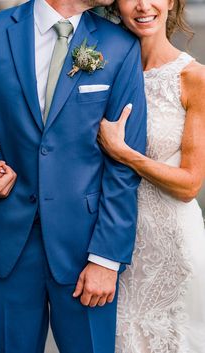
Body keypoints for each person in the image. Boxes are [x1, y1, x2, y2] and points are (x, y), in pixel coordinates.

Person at [0, 0, 147, 352]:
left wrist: (105, 258)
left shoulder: (119, 46)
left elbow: (124, 166)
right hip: (6, 248)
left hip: (86, 252)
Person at [97, 0, 205, 352]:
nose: (143, 5)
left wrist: (123, 153)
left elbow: (189, 184)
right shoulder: (99, 69)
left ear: (172, 2)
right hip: (111, 244)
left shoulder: (194, 78)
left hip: (171, 245)